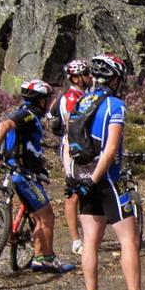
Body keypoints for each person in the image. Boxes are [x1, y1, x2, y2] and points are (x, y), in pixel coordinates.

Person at [65, 53, 145, 290]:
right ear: (115, 79)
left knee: (90, 241)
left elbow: (66, 144)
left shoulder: (81, 102)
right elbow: (110, 150)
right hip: (107, 179)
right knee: (129, 240)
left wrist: (75, 179)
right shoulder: (115, 106)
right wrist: (97, 178)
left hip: (82, 177)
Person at [0, 79, 74, 273]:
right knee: (47, 215)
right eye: (48, 99)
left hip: (27, 172)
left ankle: (38, 257)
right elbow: (5, 125)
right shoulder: (28, 114)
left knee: (37, 215)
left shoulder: (26, 112)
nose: (49, 102)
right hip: (23, 174)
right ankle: (47, 259)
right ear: (40, 101)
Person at [49, 58, 93, 255]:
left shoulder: (85, 95)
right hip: (72, 148)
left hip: (85, 148)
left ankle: (88, 234)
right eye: (86, 74)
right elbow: (71, 125)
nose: (90, 77)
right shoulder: (70, 97)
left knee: (87, 190)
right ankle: (76, 241)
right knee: (73, 193)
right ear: (76, 78)